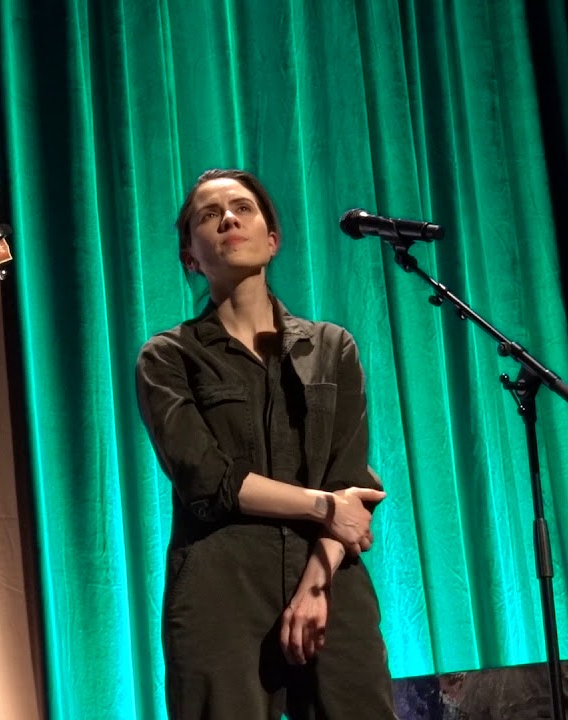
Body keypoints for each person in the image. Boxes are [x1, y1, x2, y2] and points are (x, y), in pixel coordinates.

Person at [135, 169, 395, 717]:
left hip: (330, 580)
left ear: (272, 240)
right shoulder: (168, 357)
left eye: (242, 208)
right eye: (209, 216)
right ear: (190, 257)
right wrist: (322, 505)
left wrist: (316, 586)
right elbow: (208, 479)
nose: (228, 219)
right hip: (219, 590)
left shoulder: (331, 347)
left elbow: (351, 481)